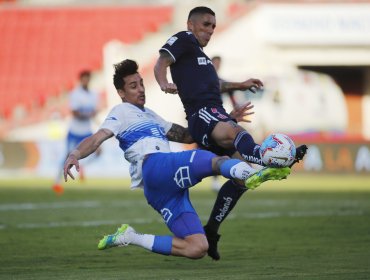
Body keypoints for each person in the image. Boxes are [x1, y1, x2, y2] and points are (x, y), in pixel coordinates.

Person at [63, 59, 291, 259]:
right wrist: (74, 154)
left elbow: (187, 135)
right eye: (133, 86)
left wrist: (224, 119)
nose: (141, 89)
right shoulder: (120, 112)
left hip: (160, 190)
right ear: (122, 93)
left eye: (141, 83)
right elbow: (98, 137)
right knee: (213, 161)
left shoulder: (151, 115)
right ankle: (252, 175)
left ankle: (131, 237)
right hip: (155, 166)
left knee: (197, 247)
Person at [154, 6, 308, 260]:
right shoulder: (183, 39)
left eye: (213, 26)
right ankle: (273, 158)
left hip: (217, 113)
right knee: (237, 133)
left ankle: (211, 232)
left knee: (241, 178)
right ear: (191, 24)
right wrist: (162, 82)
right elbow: (161, 62)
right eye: (206, 24)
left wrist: (240, 84)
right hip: (202, 115)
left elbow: (214, 84)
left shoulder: (200, 57)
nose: (210, 30)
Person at [52, 70, 100, 194]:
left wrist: (95, 118)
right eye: (84, 78)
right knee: (68, 156)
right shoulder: (75, 94)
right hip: (75, 131)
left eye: (88, 78)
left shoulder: (94, 94)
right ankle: (57, 182)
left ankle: (82, 165)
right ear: (80, 80)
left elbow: (94, 112)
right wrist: (88, 114)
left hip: (87, 131)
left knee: (99, 151)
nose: (86, 81)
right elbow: (75, 113)